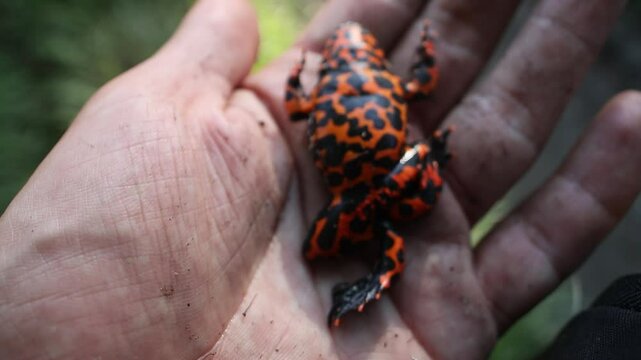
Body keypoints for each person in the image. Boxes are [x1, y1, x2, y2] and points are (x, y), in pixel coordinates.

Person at [0, 0, 639, 358]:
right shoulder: (384, 81)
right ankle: (382, 264)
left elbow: (325, 104)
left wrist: (311, 85)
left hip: (366, 178)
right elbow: (419, 87)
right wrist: (419, 66)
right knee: (394, 205)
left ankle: (382, 263)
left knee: (385, 211)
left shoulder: (343, 81)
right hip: (375, 176)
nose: (351, 48)